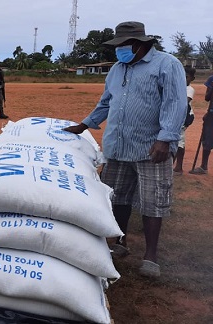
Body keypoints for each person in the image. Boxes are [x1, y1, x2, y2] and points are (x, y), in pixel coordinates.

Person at [63, 21, 187, 278]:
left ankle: (150, 255)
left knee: (153, 202)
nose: (118, 50)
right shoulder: (117, 70)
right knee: (116, 198)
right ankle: (120, 243)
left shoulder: (167, 64)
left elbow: (175, 104)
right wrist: (85, 125)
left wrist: (165, 139)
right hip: (118, 146)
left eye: (122, 45)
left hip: (151, 148)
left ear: (139, 44)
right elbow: (106, 102)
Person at [173, 66, 196, 174]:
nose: (183, 79)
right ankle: (173, 164)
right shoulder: (178, 87)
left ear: (192, 79)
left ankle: (179, 167)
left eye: (186, 77)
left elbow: (184, 103)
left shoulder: (189, 89)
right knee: (174, 140)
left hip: (185, 117)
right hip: (177, 116)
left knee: (180, 141)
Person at [190, 73, 213, 175]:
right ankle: (204, 166)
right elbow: (207, 98)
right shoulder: (211, 79)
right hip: (211, 113)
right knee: (207, 138)